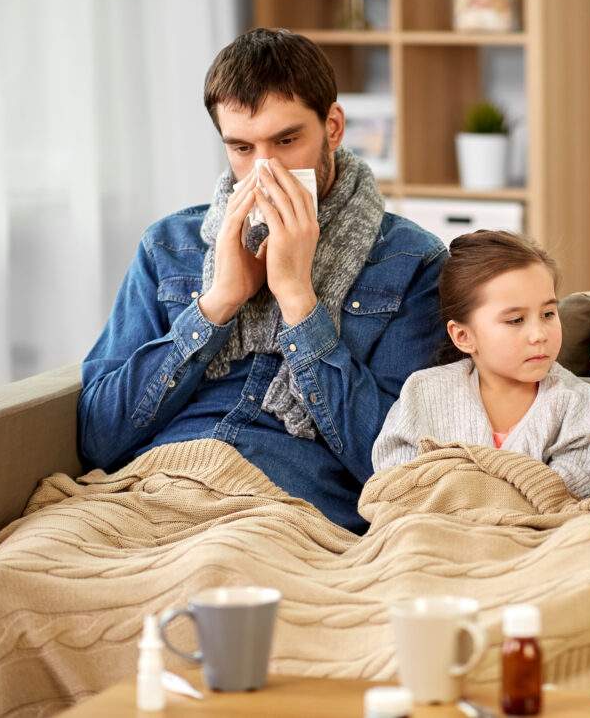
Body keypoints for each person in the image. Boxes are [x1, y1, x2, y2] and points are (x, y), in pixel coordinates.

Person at [77, 28, 446, 533]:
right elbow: (99, 437)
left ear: (333, 128)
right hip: (151, 490)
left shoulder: (411, 261)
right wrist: (216, 304)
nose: (264, 168)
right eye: (242, 148)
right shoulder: (169, 245)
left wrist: (298, 300)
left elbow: (392, 460)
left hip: (288, 507)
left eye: (286, 140)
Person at [372, 231, 590, 499]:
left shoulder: (579, 403)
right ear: (464, 336)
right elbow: (393, 480)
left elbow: (572, 490)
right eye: (516, 320)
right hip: (436, 528)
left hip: (535, 534)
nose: (540, 334)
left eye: (548, 314)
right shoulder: (423, 392)